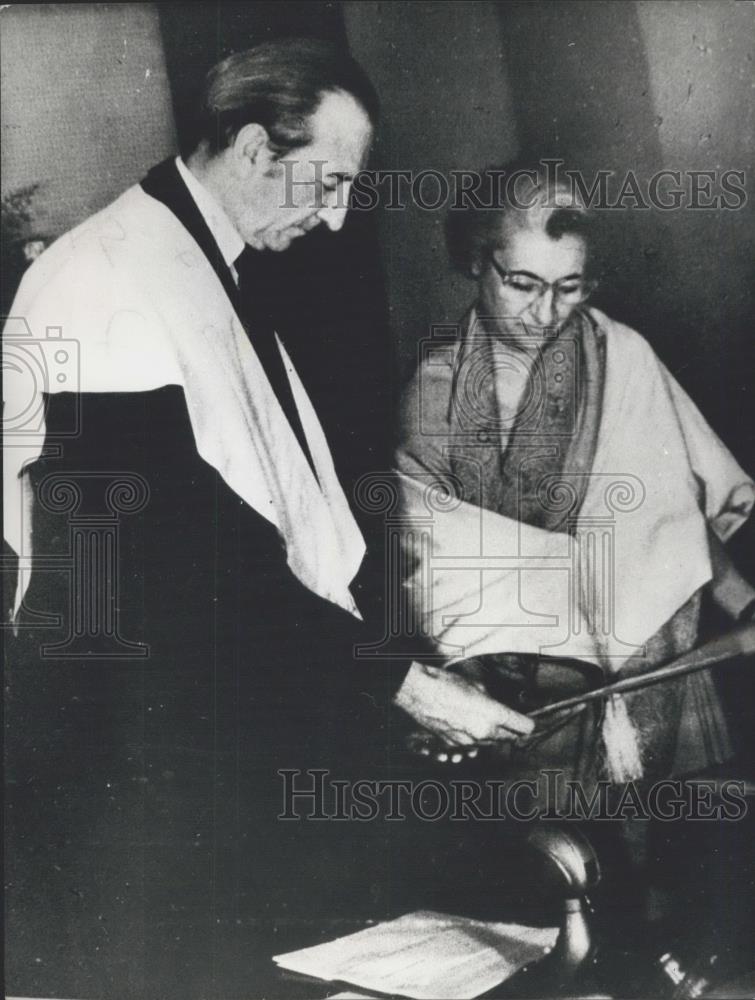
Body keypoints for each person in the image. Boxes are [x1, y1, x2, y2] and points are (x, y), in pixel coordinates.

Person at [2, 39, 520, 999]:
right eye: (324, 182)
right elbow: (182, 556)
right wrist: (391, 683)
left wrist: (379, 683)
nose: (334, 216)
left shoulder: (200, 257)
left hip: (196, 709)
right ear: (249, 149)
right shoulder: (107, 277)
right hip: (131, 752)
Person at [395, 162, 755, 804]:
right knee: (564, 874)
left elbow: (678, 509)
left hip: (661, 667)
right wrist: (460, 689)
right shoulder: (435, 394)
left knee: (679, 862)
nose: (545, 312)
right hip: (531, 696)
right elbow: (435, 564)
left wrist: (746, 607)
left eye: (570, 287)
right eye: (523, 284)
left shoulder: (625, 354)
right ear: (477, 262)